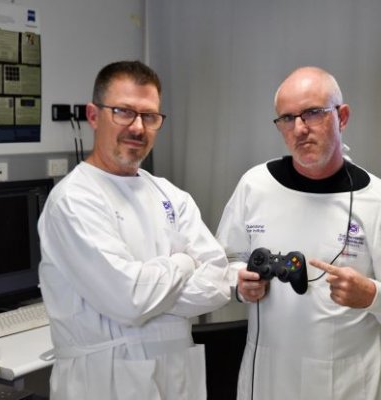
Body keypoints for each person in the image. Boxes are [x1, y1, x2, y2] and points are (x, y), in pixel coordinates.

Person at [38, 60, 230, 400]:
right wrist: (184, 265)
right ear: (94, 116)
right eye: (124, 112)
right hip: (104, 381)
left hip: (177, 376)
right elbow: (130, 301)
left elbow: (217, 286)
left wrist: (146, 294)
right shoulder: (73, 200)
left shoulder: (171, 195)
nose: (138, 127)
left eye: (150, 116)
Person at [216, 66, 381, 400]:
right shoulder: (255, 185)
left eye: (313, 114)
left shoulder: (374, 198)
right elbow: (223, 262)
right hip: (268, 379)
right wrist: (238, 280)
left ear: (342, 117)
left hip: (346, 382)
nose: (300, 129)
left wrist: (372, 295)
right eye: (287, 118)